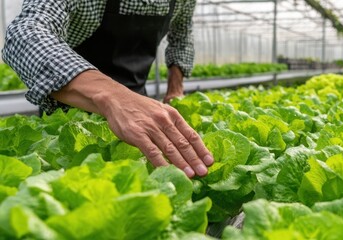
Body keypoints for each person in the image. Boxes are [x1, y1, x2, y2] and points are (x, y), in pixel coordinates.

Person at [2, 0, 213, 178]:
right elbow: (25, 34)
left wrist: (175, 90)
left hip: (136, 107)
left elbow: (182, 36)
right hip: (67, 115)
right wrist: (111, 97)